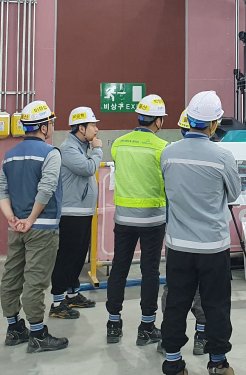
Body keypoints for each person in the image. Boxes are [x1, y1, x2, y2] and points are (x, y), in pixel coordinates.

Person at [159, 90, 240, 375]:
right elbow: (235, 193)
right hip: (213, 247)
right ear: (215, 124)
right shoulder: (222, 156)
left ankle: (171, 361)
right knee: (216, 304)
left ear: (189, 119)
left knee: (176, 303)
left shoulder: (168, 153)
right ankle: (217, 362)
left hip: (178, 246)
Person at [0, 100, 68, 353]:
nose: (50, 126)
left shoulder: (10, 154)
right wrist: (31, 218)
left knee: (11, 276)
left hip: (16, 228)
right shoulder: (51, 153)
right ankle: (37, 334)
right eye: (49, 122)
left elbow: (2, 189)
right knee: (35, 281)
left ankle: (14, 328)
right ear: (43, 126)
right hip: (43, 227)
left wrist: (12, 218)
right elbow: (47, 188)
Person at [106, 94, 168, 346]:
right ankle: (146, 326)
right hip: (153, 219)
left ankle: (113, 324)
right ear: (159, 121)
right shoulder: (162, 147)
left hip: (123, 218)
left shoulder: (118, 144)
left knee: (119, 269)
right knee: (150, 271)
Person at [156, 109, 207, 358]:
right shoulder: (215, 155)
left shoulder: (170, 154)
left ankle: (171, 342)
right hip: (206, 241)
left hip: (178, 240)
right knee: (201, 291)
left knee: (174, 292)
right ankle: (201, 335)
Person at [49, 107, 103, 319]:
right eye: (93, 126)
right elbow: (89, 168)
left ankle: (72, 293)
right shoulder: (69, 149)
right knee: (66, 256)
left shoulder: (80, 147)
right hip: (71, 213)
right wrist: (98, 150)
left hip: (83, 212)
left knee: (79, 256)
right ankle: (57, 302)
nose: (97, 130)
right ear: (81, 128)